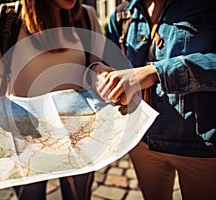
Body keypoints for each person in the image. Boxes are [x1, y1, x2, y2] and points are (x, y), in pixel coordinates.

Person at [0, 0, 103, 199]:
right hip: (26, 142)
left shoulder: (87, 17)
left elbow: (98, 68)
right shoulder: (4, 19)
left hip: (80, 137)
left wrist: (102, 74)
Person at [91, 0, 216, 199]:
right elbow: (105, 62)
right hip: (141, 143)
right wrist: (100, 73)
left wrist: (155, 72)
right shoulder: (120, 15)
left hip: (201, 147)